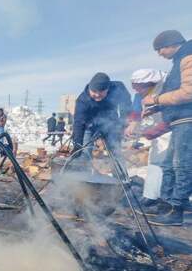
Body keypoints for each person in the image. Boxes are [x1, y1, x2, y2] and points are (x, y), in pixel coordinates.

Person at [143, 30, 192, 226]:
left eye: (159, 49)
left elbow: (188, 93)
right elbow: (176, 93)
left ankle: (176, 210)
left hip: (187, 119)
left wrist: (155, 98)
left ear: (171, 44)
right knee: (170, 165)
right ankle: (169, 204)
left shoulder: (188, 58)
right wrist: (158, 106)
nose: (159, 54)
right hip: (180, 120)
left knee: (183, 165)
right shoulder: (179, 61)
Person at [125, 69, 169, 209]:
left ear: (149, 83)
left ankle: (167, 201)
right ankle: (151, 196)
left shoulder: (166, 88)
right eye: (134, 87)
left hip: (169, 130)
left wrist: (149, 133)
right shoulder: (140, 93)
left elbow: (172, 116)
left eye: (139, 88)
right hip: (157, 131)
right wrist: (132, 124)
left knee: (169, 165)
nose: (137, 91)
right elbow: (136, 110)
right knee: (155, 162)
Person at [71, 72, 132, 163]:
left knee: (115, 153)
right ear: (90, 88)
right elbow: (78, 123)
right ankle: (83, 175)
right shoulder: (82, 100)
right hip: (90, 126)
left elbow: (126, 103)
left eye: (101, 92)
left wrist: (123, 122)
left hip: (111, 124)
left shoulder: (117, 87)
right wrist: (77, 146)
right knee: (84, 153)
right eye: (94, 92)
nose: (97, 95)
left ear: (108, 89)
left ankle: (120, 175)